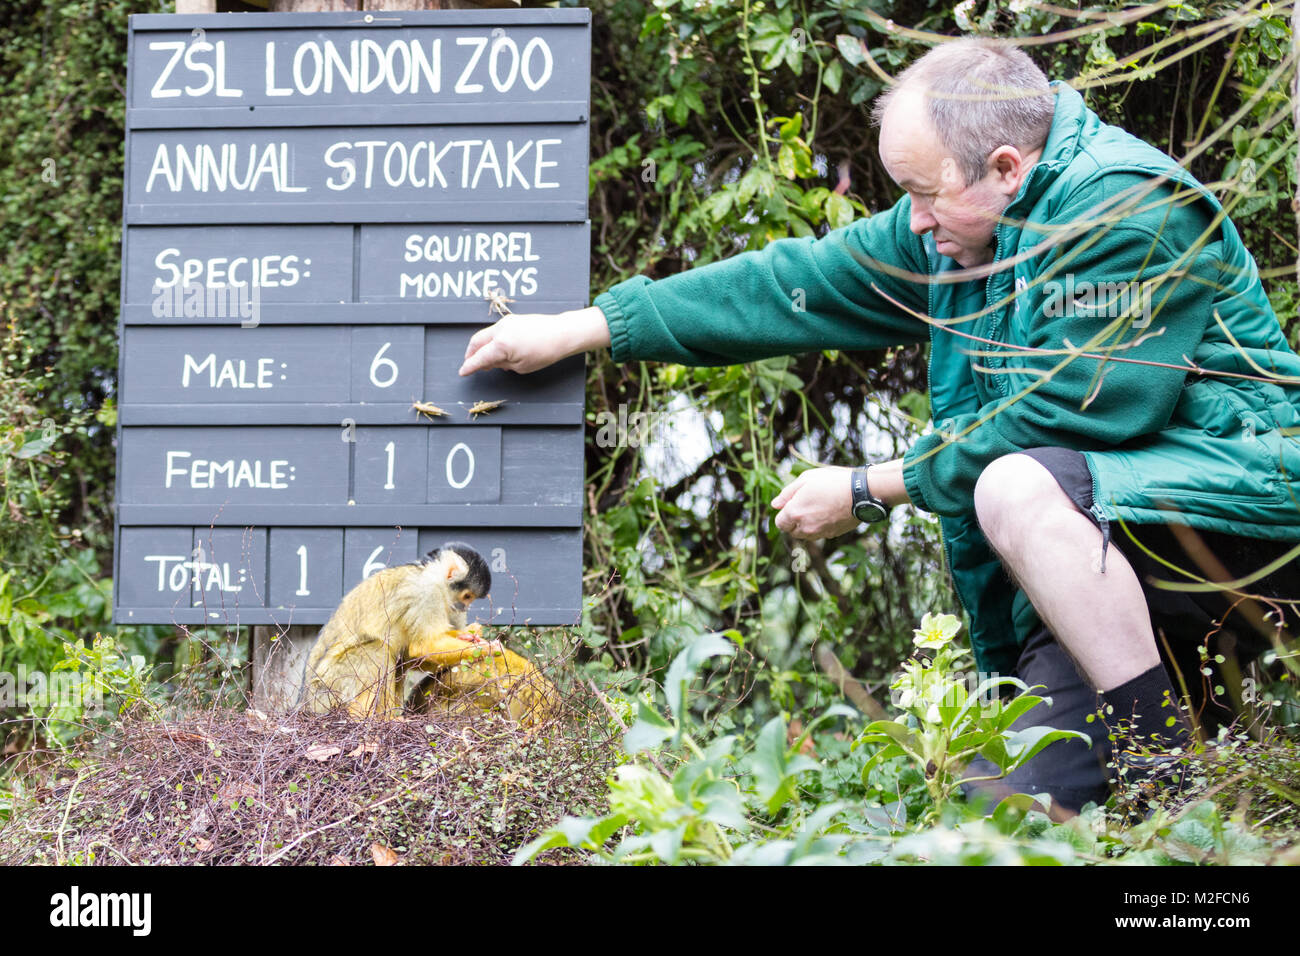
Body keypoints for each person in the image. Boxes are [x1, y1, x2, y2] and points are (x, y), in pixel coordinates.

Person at [459, 38, 1300, 811]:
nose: (917, 221)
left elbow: (1069, 412)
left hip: (1241, 533)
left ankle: (1166, 779)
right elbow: (799, 283)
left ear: (1005, 167)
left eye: (922, 195)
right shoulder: (960, 233)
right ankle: (1163, 749)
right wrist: (592, 326)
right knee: (999, 823)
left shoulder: (1127, 209)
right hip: (1107, 580)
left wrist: (868, 488)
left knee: (1013, 484)